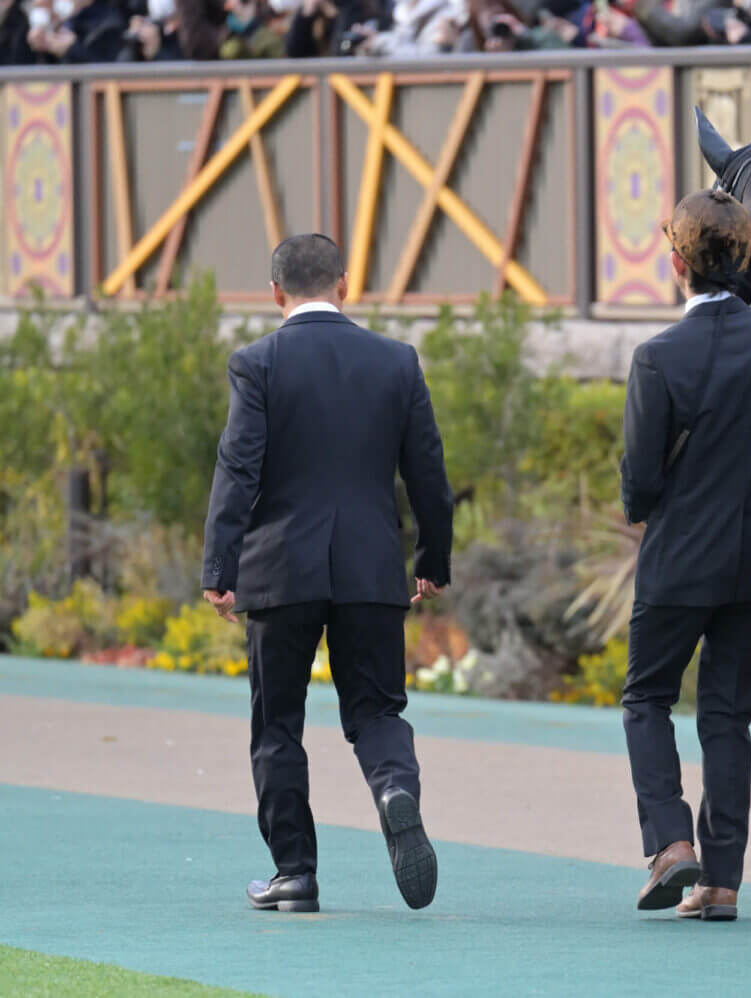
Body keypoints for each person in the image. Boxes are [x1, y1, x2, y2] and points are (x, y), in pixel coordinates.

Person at [201, 233, 453, 914]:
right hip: (370, 569)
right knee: (376, 709)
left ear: (275, 292)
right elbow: (427, 472)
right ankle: (395, 787)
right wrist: (432, 560)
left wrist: (219, 569)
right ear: (345, 283)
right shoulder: (396, 363)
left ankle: (295, 871)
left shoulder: (257, 365)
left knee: (277, 721)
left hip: (278, 572)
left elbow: (238, 469)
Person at [620, 189, 751, 922]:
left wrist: (647, 503)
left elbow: (639, 484)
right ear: (745, 257)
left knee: (646, 698)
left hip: (678, 560)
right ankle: (721, 881)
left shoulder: (658, 356)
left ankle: (670, 843)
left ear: (676, 264)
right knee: (728, 717)